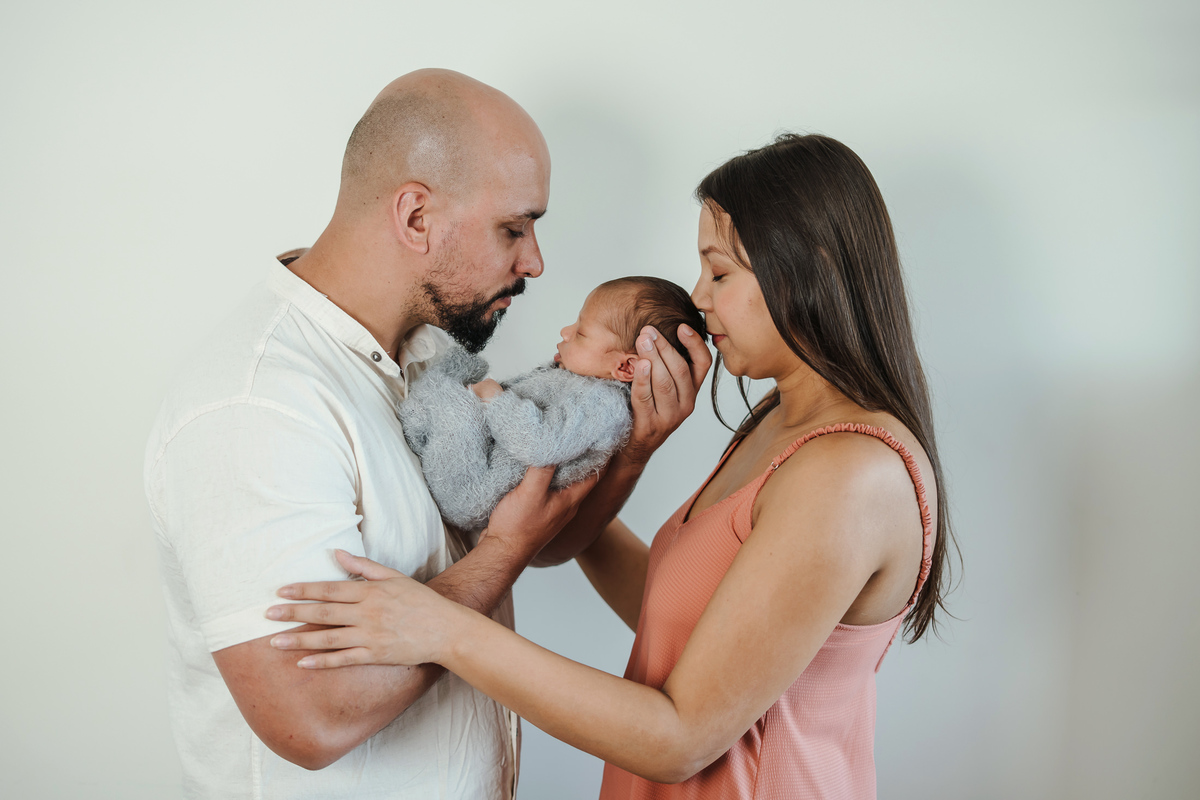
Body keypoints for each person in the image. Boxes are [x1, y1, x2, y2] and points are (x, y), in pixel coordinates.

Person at [265, 133, 957, 798]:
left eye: (720, 272)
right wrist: (620, 457)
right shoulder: (777, 422)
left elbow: (682, 737)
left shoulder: (849, 475)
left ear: (813, 267)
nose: (699, 296)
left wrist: (443, 628)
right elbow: (680, 623)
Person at [143, 68, 709, 799]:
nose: (535, 261)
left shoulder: (429, 360)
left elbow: (540, 537)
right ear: (416, 218)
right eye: (515, 226)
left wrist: (631, 452)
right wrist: (498, 556)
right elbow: (310, 721)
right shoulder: (257, 405)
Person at [401, 276, 707, 532]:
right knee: (460, 373)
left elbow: (540, 444)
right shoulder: (583, 383)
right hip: (480, 458)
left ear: (625, 368)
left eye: (581, 333)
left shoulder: (604, 406)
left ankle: (418, 420)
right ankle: (424, 417)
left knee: (450, 391)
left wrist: (496, 399)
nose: (565, 332)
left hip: (471, 488)